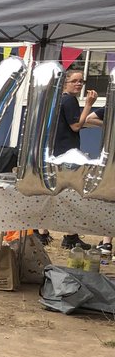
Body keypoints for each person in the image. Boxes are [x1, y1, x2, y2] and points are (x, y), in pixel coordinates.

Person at [54, 68, 104, 251]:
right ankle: (70, 236)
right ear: (65, 83)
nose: (79, 84)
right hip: (67, 153)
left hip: (59, 150)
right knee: (71, 193)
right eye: (74, 81)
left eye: (81, 81)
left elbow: (74, 124)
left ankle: (46, 232)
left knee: (62, 193)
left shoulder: (61, 100)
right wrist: (89, 104)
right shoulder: (69, 100)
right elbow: (75, 125)